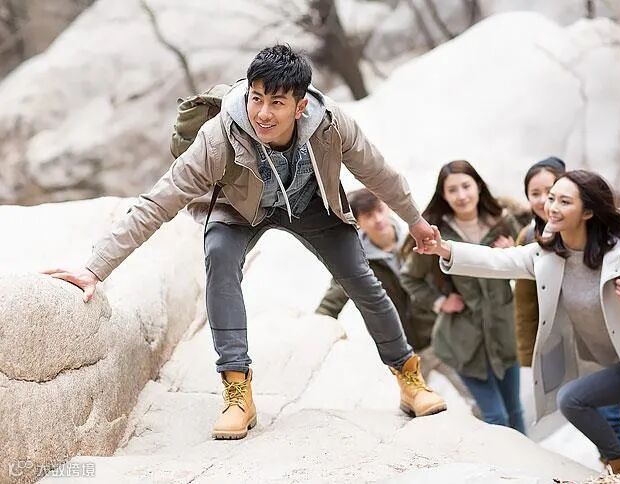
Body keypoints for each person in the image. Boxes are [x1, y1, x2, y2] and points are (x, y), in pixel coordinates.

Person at [42, 44, 446, 441]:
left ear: (300, 106)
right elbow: (158, 202)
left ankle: (408, 376)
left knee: (361, 278)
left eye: (277, 103)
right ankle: (237, 391)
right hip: (240, 207)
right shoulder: (219, 137)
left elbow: (378, 173)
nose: (263, 113)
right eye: (256, 98)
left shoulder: (331, 125)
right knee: (219, 259)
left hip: (309, 202)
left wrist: (416, 221)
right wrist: (95, 268)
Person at [423, 170, 620, 474]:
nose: (552, 207)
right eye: (551, 198)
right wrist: (445, 249)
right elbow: (498, 261)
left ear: (587, 212)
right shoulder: (546, 255)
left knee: (575, 401)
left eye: (564, 201)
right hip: (609, 363)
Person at [400, 160, 526, 434]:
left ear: (478, 186)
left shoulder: (503, 222)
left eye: (466, 186)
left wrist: (514, 252)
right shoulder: (438, 235)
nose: (461, 195)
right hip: (463, 340)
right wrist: (440, 302)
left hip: (504, 332)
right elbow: (409, 277)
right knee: (496, 417)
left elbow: (531, 266)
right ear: (443, 196)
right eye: (452, 190)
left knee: (516, 411)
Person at [515, 157, 620, 459]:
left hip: (607, 337)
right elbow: (525, 303)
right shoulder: (529, 239)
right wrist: (528, 352)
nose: (545, 202)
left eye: (552, 192)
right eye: (536, 194)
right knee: (589, 405)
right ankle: (618, 464)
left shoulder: (604, 234)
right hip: (570, 341)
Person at [315, 188, 434, 351]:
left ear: (388, 208)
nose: (378, 219)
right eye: (368, 215)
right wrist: (316, 330)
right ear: (358, 223)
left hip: (439, 337)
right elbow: (330, 303)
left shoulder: (415, 242)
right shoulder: (355, 263)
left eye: (380, 210)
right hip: (401, 349)